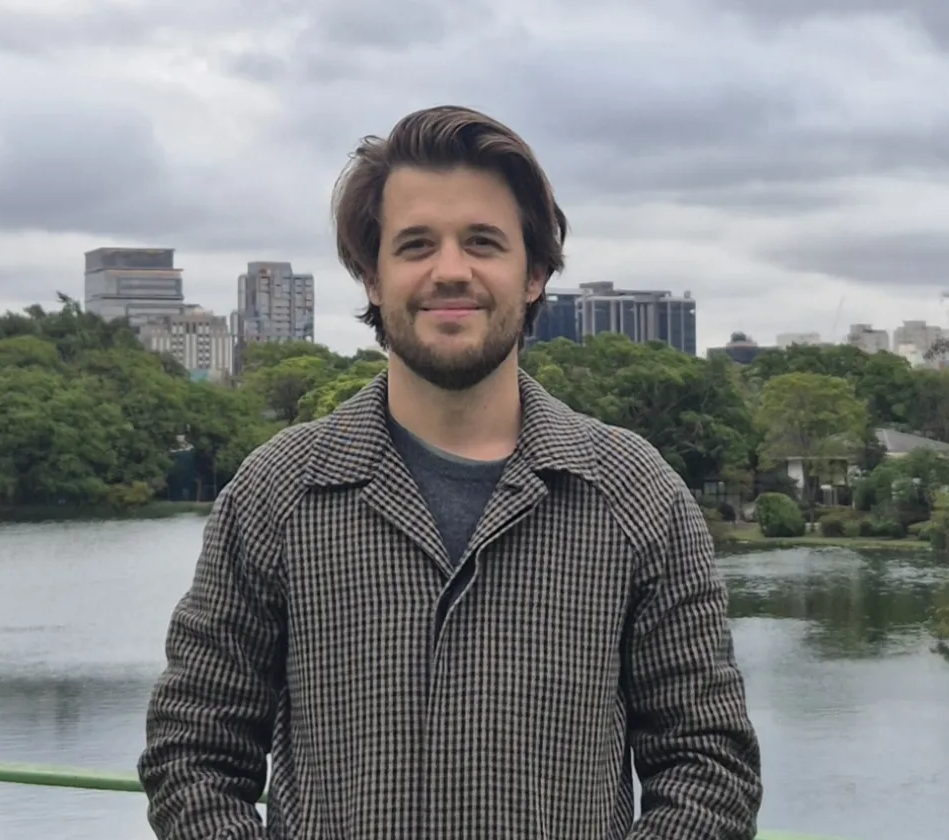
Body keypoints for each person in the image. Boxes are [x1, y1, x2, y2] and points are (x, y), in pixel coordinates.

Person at [138, 104, 763, 839]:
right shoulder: (278, 494)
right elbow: (193, 751)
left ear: (534, 274)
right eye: (416, 245)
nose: (451, 271)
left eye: (482, 242)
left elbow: (708, 766)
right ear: (372, 277)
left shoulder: (635, 496)